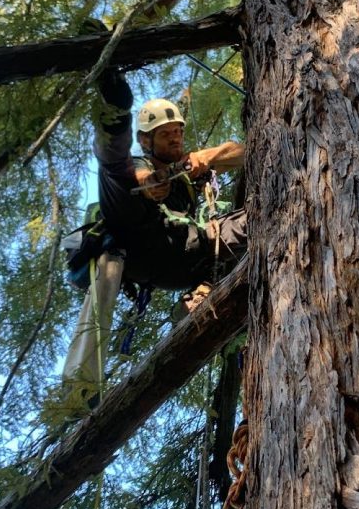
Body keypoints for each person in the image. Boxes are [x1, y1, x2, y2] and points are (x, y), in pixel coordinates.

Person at [60, 69, 247, 392]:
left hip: (189, 254)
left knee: (251, 221)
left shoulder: (187, 170)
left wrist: (206, 157)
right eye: (165, 134)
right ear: (146, 140)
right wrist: (149, 184)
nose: (175, 138)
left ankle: (199, 299)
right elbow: (131, 173)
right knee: (116, 173)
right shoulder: (138, 165)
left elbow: (245, 151)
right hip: (140, 240)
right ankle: (115, 111)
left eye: (178, 132)